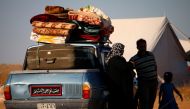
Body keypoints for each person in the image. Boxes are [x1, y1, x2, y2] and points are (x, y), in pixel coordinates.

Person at [129, 38, 158, 109]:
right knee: (144, 102)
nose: (143, 48)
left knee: (151, 101)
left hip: (154, 82)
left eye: (144, 46)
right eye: (141, 46)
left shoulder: (151, 54)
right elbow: (129, 70)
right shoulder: (134, 59)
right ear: (137, 47)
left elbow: (155, 66)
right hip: (144, 83)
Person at [105, 43, 135, 109]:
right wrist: (131, 64)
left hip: (118, 89)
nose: (123, 51)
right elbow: (124, 67)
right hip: (117, 89)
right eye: (122, 50)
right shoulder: (115, 59)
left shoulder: (116, 59)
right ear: (118, 50)